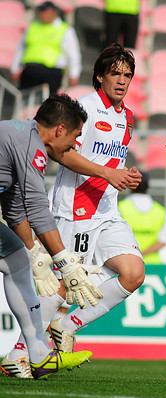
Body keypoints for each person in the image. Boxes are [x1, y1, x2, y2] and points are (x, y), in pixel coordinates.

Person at [3, 43, 144, 368]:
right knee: (64, 284)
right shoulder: (85, 108)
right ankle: (21, 354)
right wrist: (107, 172)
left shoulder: (129, 117)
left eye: (127, 75)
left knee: (134, 273)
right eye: (115, 74)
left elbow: (112, 160)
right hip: (75, 210)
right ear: (100, 76)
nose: (122, 80)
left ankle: (66, 325)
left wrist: (125, 175)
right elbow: (61, 152)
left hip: (108, 210)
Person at [0, 94, 99, 379]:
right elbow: (37, 206)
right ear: (59, 130)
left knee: (18, 260)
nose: (75, 144)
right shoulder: (32, 147)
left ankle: (39, 354)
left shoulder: (21, 136)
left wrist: (33, 252)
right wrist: (65, 263)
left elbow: (15, 208)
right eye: (75, 135)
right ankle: (38, 354)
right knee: (17, 261)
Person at [10, 1, 81, 95]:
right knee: (25, 100)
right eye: (41, 11)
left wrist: (74, 74)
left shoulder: (65, 29)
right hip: (30, 69)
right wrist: (14, 68)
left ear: (54, 13)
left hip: (51, 72)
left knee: (48, 103)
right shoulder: (32, 27)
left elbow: (73, 54)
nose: (42, 14)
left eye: (45, 11)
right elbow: (21, 48)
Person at [118, 171, 166, 264]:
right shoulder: (160, 210)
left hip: (129, 263)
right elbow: (163, 240)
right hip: (154, 265)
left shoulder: (121, 207)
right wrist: (143, 253)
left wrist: (137, 254)